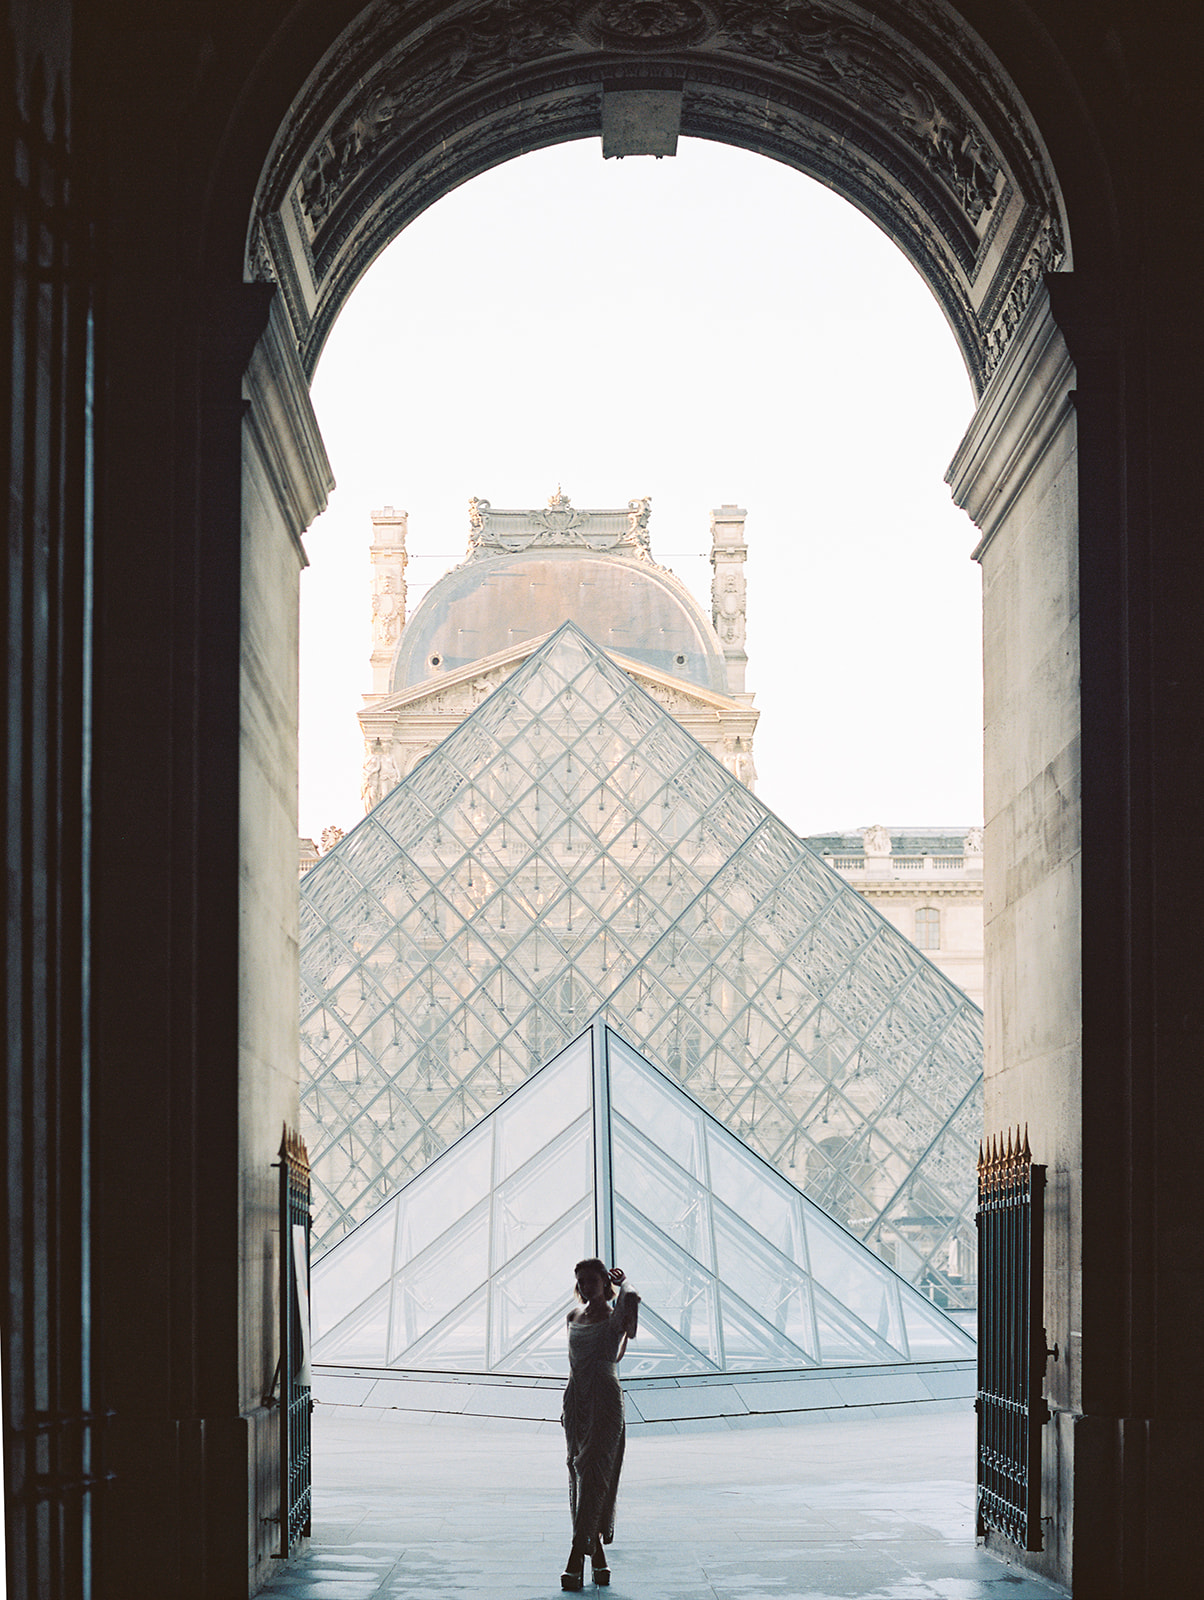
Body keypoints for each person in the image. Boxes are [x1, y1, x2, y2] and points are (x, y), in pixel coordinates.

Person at [560, 1259, 640, 1591]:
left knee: (596, 1473)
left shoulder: (615, 1317)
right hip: (576, 1399)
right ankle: (598, 1557)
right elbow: (574, 1363)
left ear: (603, 1281)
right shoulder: (572, 1317)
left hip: (606, 1400)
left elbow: (632, 1302)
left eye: (592, 1280)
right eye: (581, 1280)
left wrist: (624, 1283)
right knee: (579, 1474)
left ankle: (576, 1555)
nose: (586, 1286)